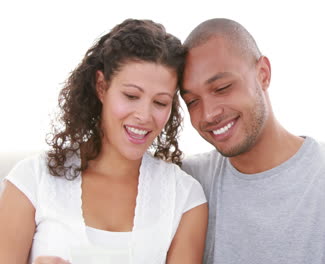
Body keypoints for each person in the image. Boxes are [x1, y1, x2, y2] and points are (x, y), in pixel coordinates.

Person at [180, 18, 325, 264]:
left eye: (222, 88)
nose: (208, 114)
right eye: (192, 101)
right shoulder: (189, 182)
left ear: (263, 74)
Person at [0, 19, 207, 264]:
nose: (144, 115)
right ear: (101, 87)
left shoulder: (184, 198)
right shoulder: (32, 181)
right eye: (131, 96)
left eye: (160, 102)